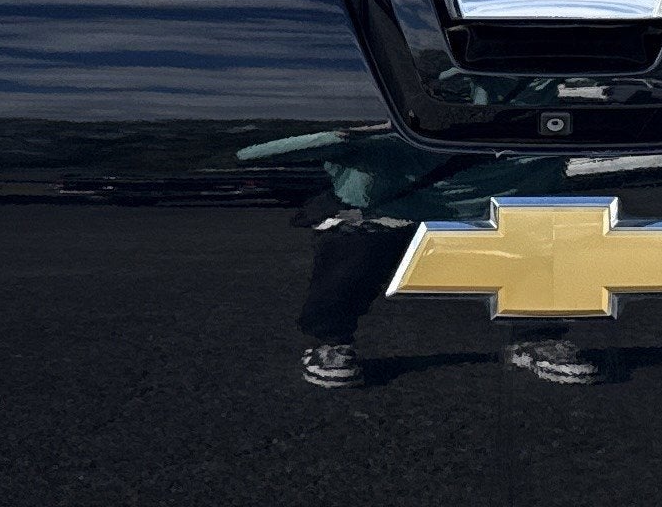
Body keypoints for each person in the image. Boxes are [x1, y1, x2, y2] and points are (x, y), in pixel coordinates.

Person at [236, 126, 603, 389]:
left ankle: (535, 338)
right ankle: (329, 342)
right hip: (391, 209)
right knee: (351, 256)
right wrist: (340, 136)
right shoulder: (394, 108)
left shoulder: (552, 98)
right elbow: (251, 152)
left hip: (494, 210)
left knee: (542, 245)